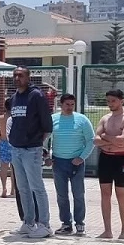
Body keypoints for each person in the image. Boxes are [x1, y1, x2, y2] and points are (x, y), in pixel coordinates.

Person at [8, 67, 53, 239]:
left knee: (37, 187)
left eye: (21, 75)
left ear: (28, 77)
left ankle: (45, 225)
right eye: (15, 75)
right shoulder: (14, 98)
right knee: (22, 188)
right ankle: (28, 222)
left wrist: (39, 145)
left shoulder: (36, 95)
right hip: (16, 149)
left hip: (31, 149)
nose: (17, 78)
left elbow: (47, 124)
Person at [47, 93, 95, 235]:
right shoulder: (53, 119)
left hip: (76, 163)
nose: (69, 107)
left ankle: (80, 223)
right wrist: (47, 157)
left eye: (72, 104)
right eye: (67, 104)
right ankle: (66, 223)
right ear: (61, 104)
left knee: (78, 194)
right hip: (58, 162)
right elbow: (45, 140)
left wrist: (82, 157)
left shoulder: (82, 120)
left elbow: (91, 140)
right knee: (62, 195)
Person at [93, 89, 124, 239]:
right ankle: (107, 230)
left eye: (113, 101)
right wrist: (109, 142)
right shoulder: (105, 118)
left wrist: (105, 136)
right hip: (106, 159)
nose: (110, 104)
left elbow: (123, 140)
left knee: (121, 195)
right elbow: (96, 140)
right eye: (108, 101)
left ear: (121, 101)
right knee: (105, 194)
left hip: (121, 160)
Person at [0, 95, 15, 198]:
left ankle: (4, 187)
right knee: (14, 168)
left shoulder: (0, 118)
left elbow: (0, 129)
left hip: (3, 142)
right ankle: (13, 189)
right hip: (13, 143)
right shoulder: (14, 118)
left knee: (3, 167)